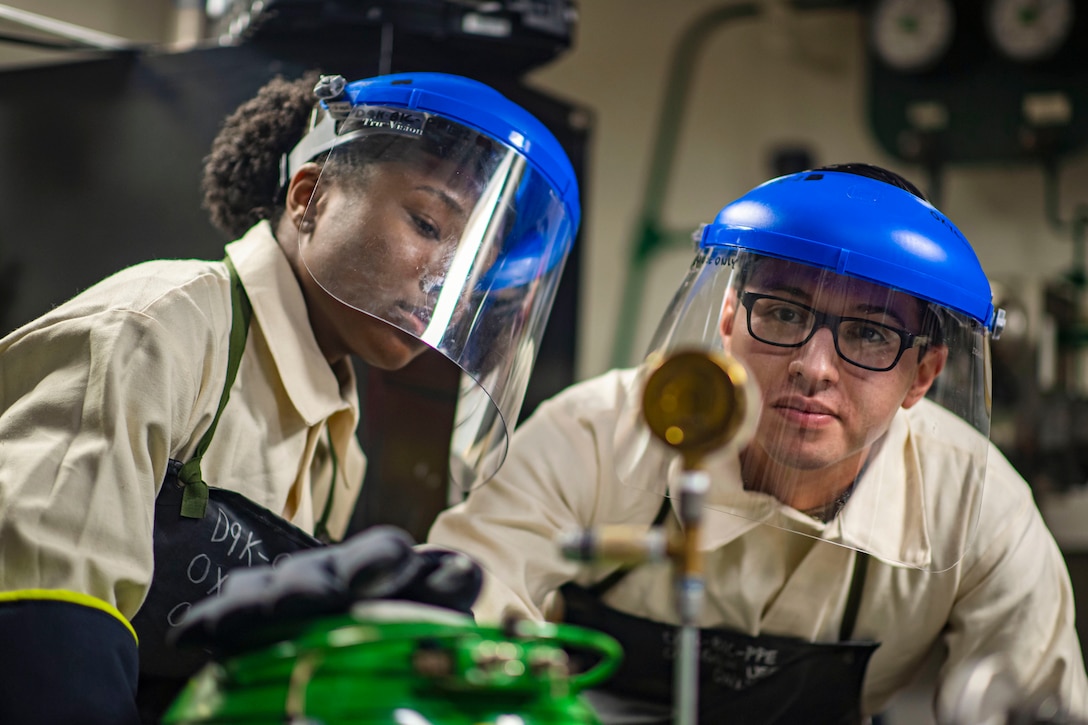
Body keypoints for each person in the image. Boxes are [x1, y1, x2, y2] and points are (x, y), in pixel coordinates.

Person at [0, 70, 580, 724]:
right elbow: (39, 624)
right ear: (310, 196)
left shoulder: (338, 435)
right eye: (428, 222)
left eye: (476, 265)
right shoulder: (154, 332)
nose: (448, 283)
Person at [427, 163, 1088, 724]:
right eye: (783, 313)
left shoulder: (977, 504)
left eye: (868, 333)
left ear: (923, 374)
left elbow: (1035, 702)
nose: (814, 365)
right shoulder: (597, 434)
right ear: (727, 320)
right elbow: (452, 615)